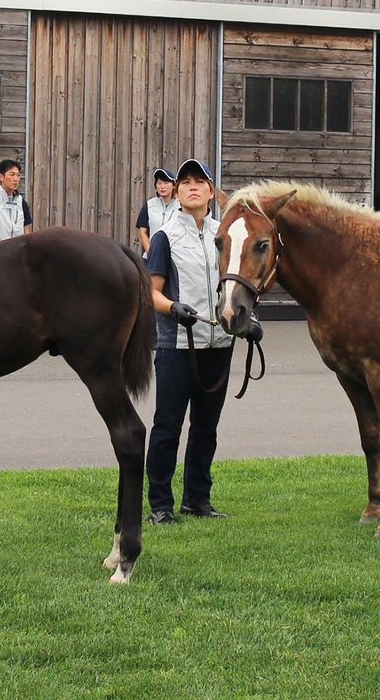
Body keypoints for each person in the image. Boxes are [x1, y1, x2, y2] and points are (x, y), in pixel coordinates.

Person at [144, 158, 235, 524]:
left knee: (206, 428)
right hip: (178, 346)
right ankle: (161, 505)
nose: (192, 186)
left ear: (211, 192)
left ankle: (197, 499)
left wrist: (249, 321)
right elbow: (150, 293)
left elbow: (236, 285)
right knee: (168, 426)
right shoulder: (165, 236)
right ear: (178, 193)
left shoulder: (224, 234)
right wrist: (172, 308)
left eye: (200, 181)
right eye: (185, 183)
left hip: (219, 344)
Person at [0, 158, 33, 243]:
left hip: (18, 251)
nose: (16, 179)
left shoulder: (21, 202)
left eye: (18, 175)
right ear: (1, 177)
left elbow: (26, 230)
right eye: (12, 175)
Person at [135, 167, 179, 255]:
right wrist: (151, 253)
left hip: (174, 258)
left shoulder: (181, 207)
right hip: (151, 258)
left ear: (174, 185)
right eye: (159, 183)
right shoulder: (149, 205)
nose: (162, 187)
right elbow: (142, 231)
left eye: (166, 183)